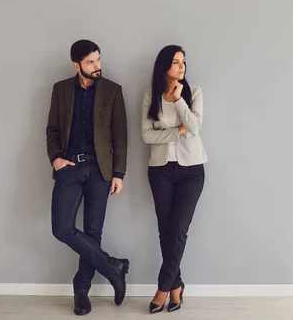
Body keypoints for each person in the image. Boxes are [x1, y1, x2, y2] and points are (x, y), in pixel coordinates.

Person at [46, 39, 129, 316]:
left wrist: (119, 173)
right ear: (76, 65)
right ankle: (112, 267)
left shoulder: (112, 90)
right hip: (69, 168)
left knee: (93, 231)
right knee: (61, 228)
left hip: (100, 170)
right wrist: (56, 159)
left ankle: (81, 292)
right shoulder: (61, 90)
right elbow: (52, 129)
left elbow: (120, 136)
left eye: (98, 59)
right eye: (91, 62)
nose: (97, 66)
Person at [141, 45, 207, 313]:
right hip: (160, 169)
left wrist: (180, 101)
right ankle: (177, 288)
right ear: (164, 66)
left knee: (179, 229)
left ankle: (162, 288)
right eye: (176, 62)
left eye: (183, 62)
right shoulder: (150, 95)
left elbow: (194, 127)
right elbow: (146, 135)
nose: (181, 67)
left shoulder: (195, 92)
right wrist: (175, 131)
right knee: (165, 230)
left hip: (191, 169)